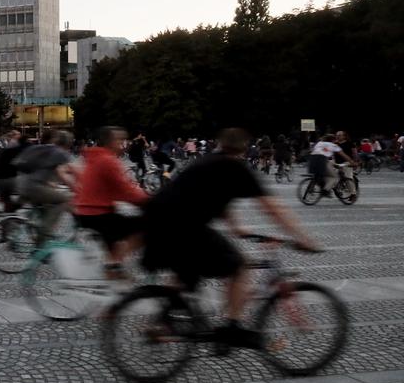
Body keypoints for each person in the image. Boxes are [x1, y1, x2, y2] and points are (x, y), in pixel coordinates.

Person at [141, 128, 319, 349]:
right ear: (244, 148)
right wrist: (302, 238)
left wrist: (236, 228)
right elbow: (273, 209)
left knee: (190, 271)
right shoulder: (235, 168)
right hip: (182, 227)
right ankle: (231, 328)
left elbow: (217, 196)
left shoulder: (208, 161)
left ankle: (163, 320)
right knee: (239, 266)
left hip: (159, 223)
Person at [72, 127, 147, 274]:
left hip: (87, 212)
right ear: (111, 142)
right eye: (120, 140)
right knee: (146, 227)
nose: (124, 144)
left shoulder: (95, 157)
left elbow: (114, 188)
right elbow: (125, 192)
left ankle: (114, 270)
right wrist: (150, 201)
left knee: (116, 243)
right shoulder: (107, 160)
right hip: (98, 214)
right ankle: (113, 265)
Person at [14, 130, 78, 242]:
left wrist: (49, 182)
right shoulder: (60, 153)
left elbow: (40, 170)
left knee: (46, 205)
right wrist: (78, 188)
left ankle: (29, 231)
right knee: (63, 201)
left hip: (21, 184)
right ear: (68, 143)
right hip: (33, 187)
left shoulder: (40, 148)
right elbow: (69, 172)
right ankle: (42, 239)